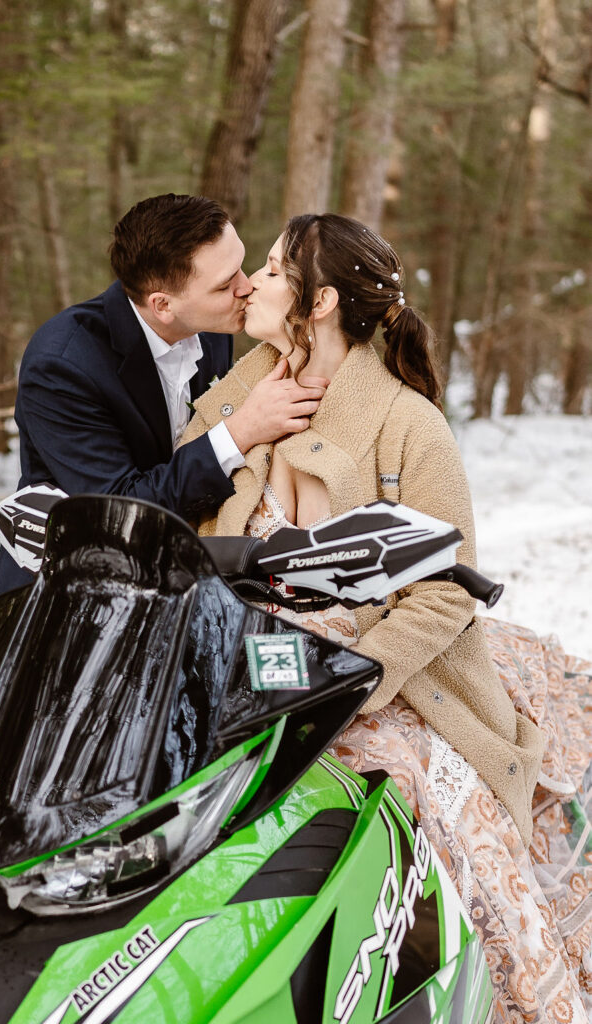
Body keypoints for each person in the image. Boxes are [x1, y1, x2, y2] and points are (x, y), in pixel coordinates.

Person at [182, 214, 592, 1023]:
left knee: (439, 812)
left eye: (272, 268)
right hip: (236, 664)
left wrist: (358, 678)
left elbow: (445, 591)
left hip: (374, 677)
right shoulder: (232, 398)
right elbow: (183, 531)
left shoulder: (409, 422)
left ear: (321, 300)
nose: (253, 284)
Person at [0, 194, 327, 597]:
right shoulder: (62, 366)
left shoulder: (213, 326)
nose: (247, 285)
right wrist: (240, 431)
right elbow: (121, 509)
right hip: (70, 599)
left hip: (181, 583)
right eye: (225, 283)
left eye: (241, 265)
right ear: (163, 305)